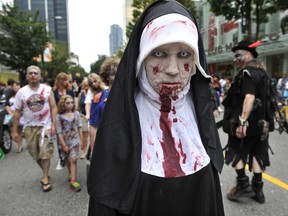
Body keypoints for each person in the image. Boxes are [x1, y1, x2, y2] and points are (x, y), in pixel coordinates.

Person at [87, 1, 224, 215]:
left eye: (184, 54)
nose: (172, 69)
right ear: (142, 57)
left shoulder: (198, 114)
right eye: (159, 53)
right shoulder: (121, 118)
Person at [222, 40, 273, 204]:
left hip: (245, 124)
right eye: (234, 56)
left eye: (238, 55)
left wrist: (242, 121)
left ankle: (243, 185)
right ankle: (258, 190)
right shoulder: (263, 74)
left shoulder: (247, 73)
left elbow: (249, 97)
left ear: (249, 55)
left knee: (235, 150)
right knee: (258, 153)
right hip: (261, 125)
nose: (235, 59)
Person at [12, 65, 57, 192]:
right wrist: (15, 130)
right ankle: (45, 171)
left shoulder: (47, 89)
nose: (33, 75)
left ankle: (45, 179)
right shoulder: (21, 92)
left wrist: (53, 124)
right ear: (27, 76)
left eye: (35, 73)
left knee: (45, 152)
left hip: (45, 126)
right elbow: (17, 112)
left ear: (39, 76)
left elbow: (54, 107)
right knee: (35, 154)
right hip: (29, 128)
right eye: (30, 73)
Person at [56, 95, 83, 192]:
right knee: (68, 159)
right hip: (64, 141)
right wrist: (63, 145)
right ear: (63, 104)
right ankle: (70, 172)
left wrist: (82, 140)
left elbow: (79, 127)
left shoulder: (76, 114)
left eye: (72, 102)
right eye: (68, 103)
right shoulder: (59, 117)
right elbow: (58, 131)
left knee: (73, 159)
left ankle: (73, 181)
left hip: (75, 140)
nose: (70, 104)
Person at [53, 72, 75, 170]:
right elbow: (52, 106)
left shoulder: (70, 91)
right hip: (59, 117)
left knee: (70, 136)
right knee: (60, 137)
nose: (66, 81)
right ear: (59, 81)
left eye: (66, 79)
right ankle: (62, 158)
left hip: (69, 117)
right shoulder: (54, 92)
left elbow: (73, 104)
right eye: (63, 79)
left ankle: (70, 155)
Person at [84, 73, 109, 156]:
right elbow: (87, 103)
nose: (94, 84)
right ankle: (92, 152)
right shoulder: (91, 92)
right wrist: (87, 114)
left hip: (105, 117)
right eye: (91, 83)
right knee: (93, 136)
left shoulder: (107, 89)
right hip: (94, 117)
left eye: (95, 81)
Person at [5, 81, 24, 153]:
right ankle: (20, 145)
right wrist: (11, 113)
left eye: (17, 85)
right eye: (13, 86)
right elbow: (7, 105)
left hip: (23, 116)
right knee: (16, 131)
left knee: (23, 131)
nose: (15, 87)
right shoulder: (10, 97)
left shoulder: (24, 96)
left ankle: (22, 145)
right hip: (14, 116)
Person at [77, 78, 89, 159]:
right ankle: (84, 151)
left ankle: (92, 151)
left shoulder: (95, 93)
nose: (86, 87)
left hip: (93, 117)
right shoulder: (81, 94)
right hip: (82, 116)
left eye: (88, 85)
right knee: (84, 136)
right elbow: (78, 107)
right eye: (84, 85)